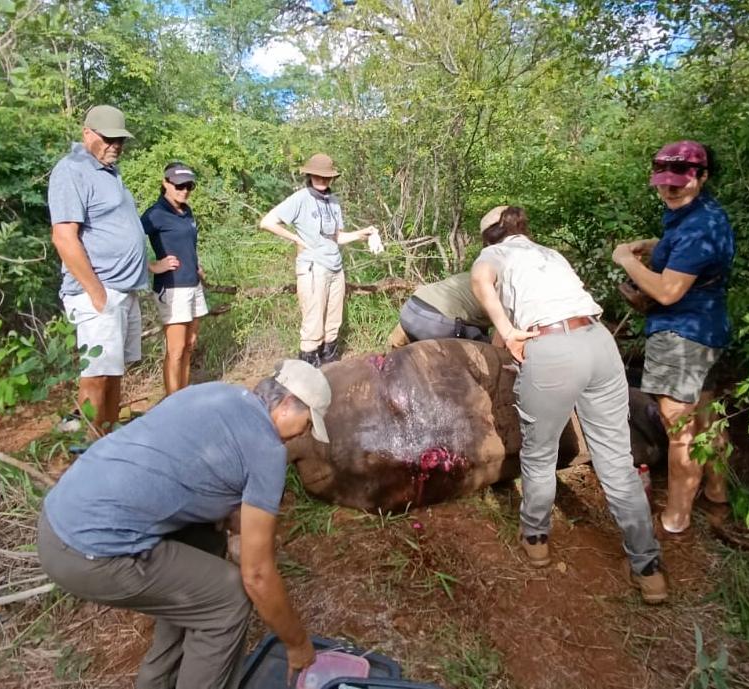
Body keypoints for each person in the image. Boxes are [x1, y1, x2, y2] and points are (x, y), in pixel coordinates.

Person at [37, 360, 331, 689]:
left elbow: (176, 470)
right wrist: (297, 644)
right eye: (307, 423)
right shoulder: (265, 448)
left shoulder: (215, 393)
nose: (304, 434)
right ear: (288, 404)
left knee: (206, 546)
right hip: (89, 551)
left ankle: (158, 682)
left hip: (57, 518)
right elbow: (257, 574)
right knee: (228, 599)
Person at [471, 205, 667, 604]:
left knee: (540, 455)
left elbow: (480, 283)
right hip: (598, 341)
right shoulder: (550, 255)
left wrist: (508, 333)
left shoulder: (493, 255)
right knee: (615, 459)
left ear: (490, 235)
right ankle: (649, 570)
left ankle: (536, 539)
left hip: (553, 349)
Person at [612, 140, 735, 535]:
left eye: (679, 182)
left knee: (679, 429)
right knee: (707, 416)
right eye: (663, 182)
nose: (668, 190)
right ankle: (717, 495)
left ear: (702, 177)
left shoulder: (698, 227)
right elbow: (684, 254)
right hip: (708, 328)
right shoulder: (704, 215)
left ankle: (676, 518)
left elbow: (667, 291)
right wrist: (653, 246)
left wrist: (628, 259)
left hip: (682, 335)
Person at [49, 105, 146, 436]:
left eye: (120, 140)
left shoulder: (108, 171)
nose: (116, 145)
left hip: (122, 291)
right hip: (99, 292)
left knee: (114, 370)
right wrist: (97, 293)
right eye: (109, 138)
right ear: (87, 133)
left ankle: (108, 438)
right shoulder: (71, 170)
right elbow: (64, 236)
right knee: (97, 375)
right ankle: (86, 453)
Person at [259, 153, 375, 367]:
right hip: (313, 268)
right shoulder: (301, 198)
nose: (322, 180)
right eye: (317, 176)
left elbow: (337, 237)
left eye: (326, 176)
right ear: (310, 175)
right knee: (313, 325)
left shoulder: (333, 202)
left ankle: (330, 370)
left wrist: (362, 233)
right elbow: (267, 222)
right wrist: (296, 238)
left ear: (332, 178)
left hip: (335, 267)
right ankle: (308, 375)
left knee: (333, 323)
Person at [141, 161, 208, 396]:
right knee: (176, 349)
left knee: (190, 345)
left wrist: (195, 263)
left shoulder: (186, 210)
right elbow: (130, 242)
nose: (185, 190)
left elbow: (186, 243)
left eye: (189, 186)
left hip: (193, 283)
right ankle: (173, 403)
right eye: (179, 185)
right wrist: (151, 266)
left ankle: (184, 395)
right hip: (172, 287)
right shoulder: (155, 214)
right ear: (165, 183)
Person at [386, 272, 492, 349]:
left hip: (410, 309)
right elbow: (501, 340)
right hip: (435, 323)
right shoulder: (502, 292)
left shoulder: (471, 275)